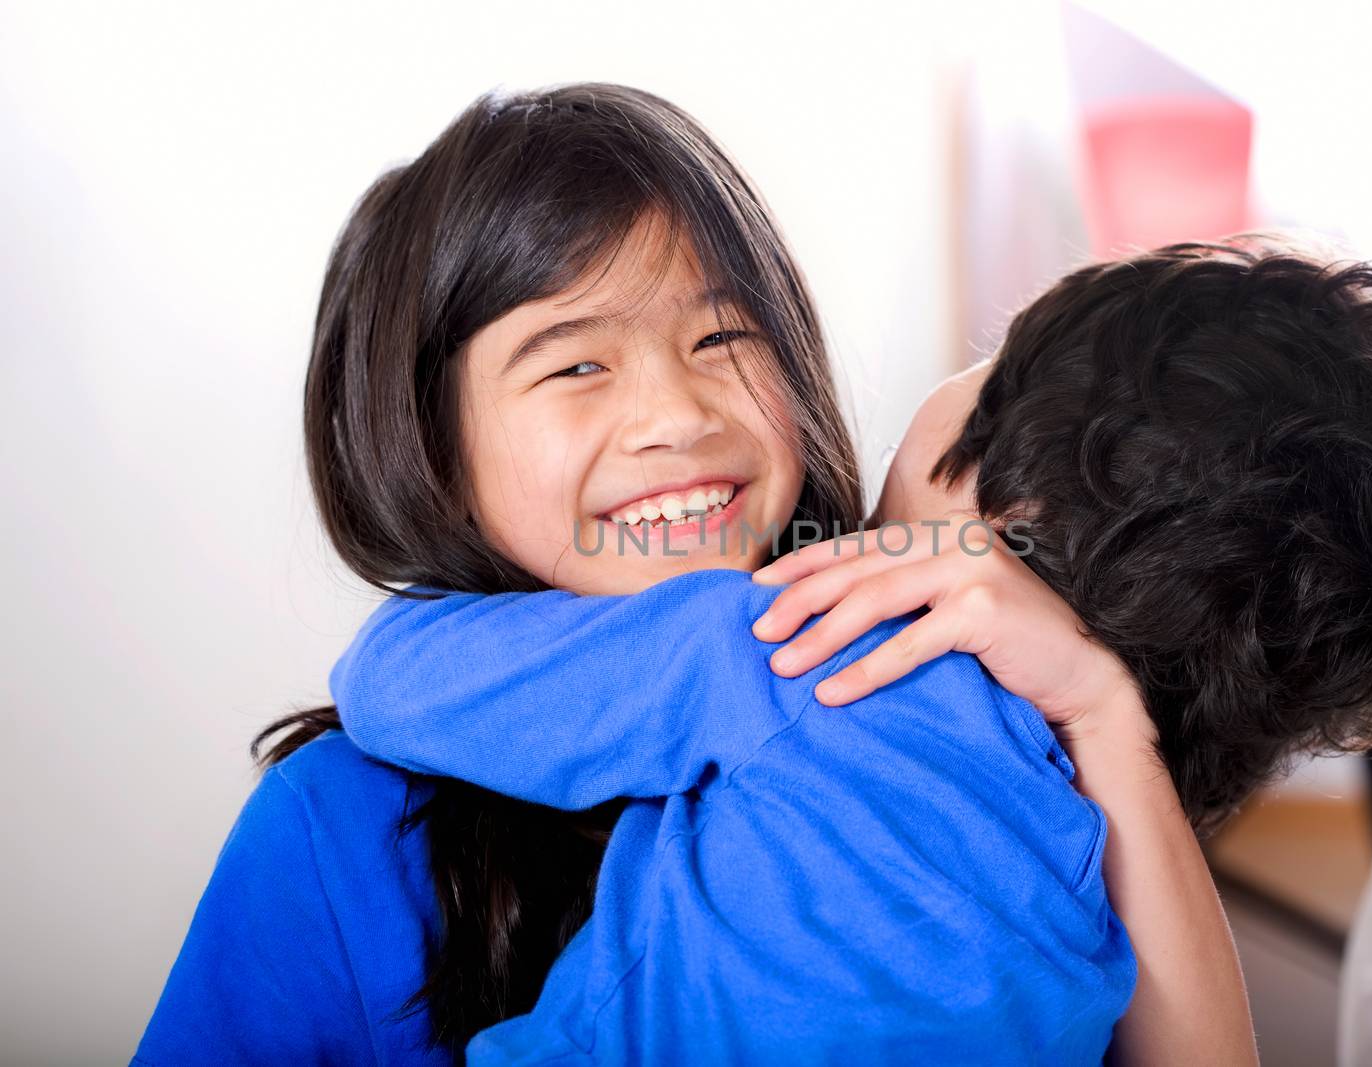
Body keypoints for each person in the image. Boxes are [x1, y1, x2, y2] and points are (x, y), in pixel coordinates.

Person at [134, 84, 1245, 1065]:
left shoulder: (966, 700)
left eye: (723, 339)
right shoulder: (347, 823)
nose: (676, 416)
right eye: (575, 362)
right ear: (432, 450)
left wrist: (1101, 708)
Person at [328, 236, 1372, 1061]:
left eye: (994, 359)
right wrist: (1108, 716)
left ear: (992, 513)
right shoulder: (1088, 824)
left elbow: (384, 684)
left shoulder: (797, 647)